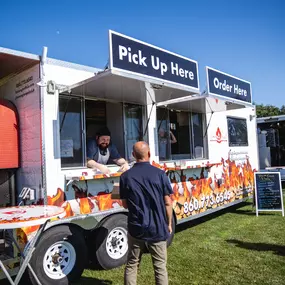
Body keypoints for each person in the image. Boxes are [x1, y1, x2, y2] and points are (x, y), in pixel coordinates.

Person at [119, 141, 173, 285]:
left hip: (136, 227)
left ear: (133, 155)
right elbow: (168, 202)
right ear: (149, 154)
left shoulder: (125, 177)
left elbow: (124, 204)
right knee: (160, 267)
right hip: (157, 227)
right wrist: (168, 223)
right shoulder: (160, 174)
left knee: (132, 263)